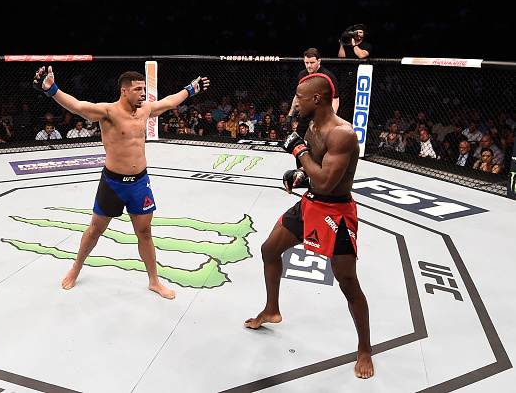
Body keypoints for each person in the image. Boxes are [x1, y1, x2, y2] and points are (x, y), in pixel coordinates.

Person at [33, 66, 209, 299]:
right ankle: (76, 267)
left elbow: (168, 102)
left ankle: (154, 281)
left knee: (145, 232)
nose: (143, 93)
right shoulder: (108, 112)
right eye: (138, 89)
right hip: (113, 183)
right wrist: (52, 90)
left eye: (144, 89)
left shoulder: (145, 109)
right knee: (96, 229)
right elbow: (77, 106)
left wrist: (190, 89)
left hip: (139, 183)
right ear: (124, 91)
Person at [245, 73, 373, 379]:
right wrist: (300, 174)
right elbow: (317, 169)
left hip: (336, 213)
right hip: (310, 205)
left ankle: (365, 348)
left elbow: (329, 182)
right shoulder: (312, 125)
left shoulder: (341, 133)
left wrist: (299, 152)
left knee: (346, 281)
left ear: (317, 99)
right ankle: (272, 309)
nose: (295, 103)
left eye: (300, 98)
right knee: (269, 250)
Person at [287, 48, 340, 140]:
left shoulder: (328, 76)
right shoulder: (302, 75)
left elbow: (335, 99)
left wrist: (329, 119)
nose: (309, 66)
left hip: (321, 116)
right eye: (306, 63)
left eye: (312, 63)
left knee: (317, 145)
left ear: (319, 61)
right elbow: (297, 96)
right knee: (299, 142)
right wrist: (290, 115)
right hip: (305, 115)